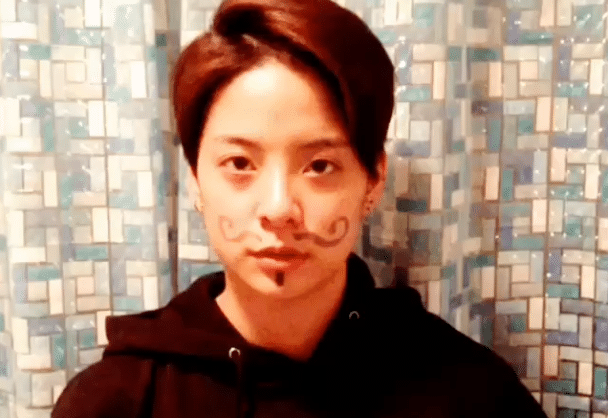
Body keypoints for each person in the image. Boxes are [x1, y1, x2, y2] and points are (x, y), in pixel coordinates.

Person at [52, 0, 549, 417]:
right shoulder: (116, 400)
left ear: (373, 181)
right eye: (240, 163)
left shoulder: (467, 392)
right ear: (197, 180)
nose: (278, 209)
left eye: (319, 166)